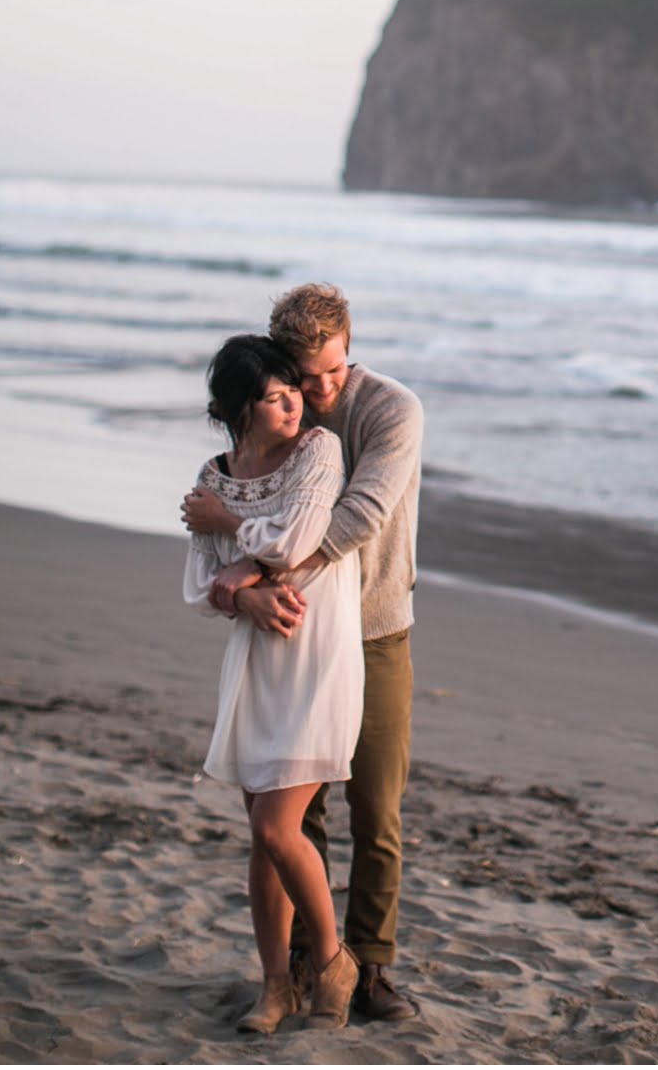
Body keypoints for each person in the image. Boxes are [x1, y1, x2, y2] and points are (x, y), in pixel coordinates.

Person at [198, 283, 424, 1025]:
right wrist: (246, 587)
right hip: (288, 633)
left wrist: (256, 569)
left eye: (332, 371)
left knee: (376, 807)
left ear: (350, 346)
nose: (319, 390)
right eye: (304, 375)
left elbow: (360, 515)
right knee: (295, 813)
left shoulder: (390, 410)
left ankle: (370, 965)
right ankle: (301, 962)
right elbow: (237, 512)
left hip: (374, 626)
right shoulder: (281, 414)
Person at [181, 333, 364, 1035]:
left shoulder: (319, 449)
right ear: (239, 410)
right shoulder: (214, 473)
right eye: (274, 397)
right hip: (257, 660)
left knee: (274, 824)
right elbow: (200, 584)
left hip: (316, 654)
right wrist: (250, 598)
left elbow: (297, 541)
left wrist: (229, 527)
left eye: (294, 391)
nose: (293, 405)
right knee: (263, 840)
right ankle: (276, 986)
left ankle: (333, 960)